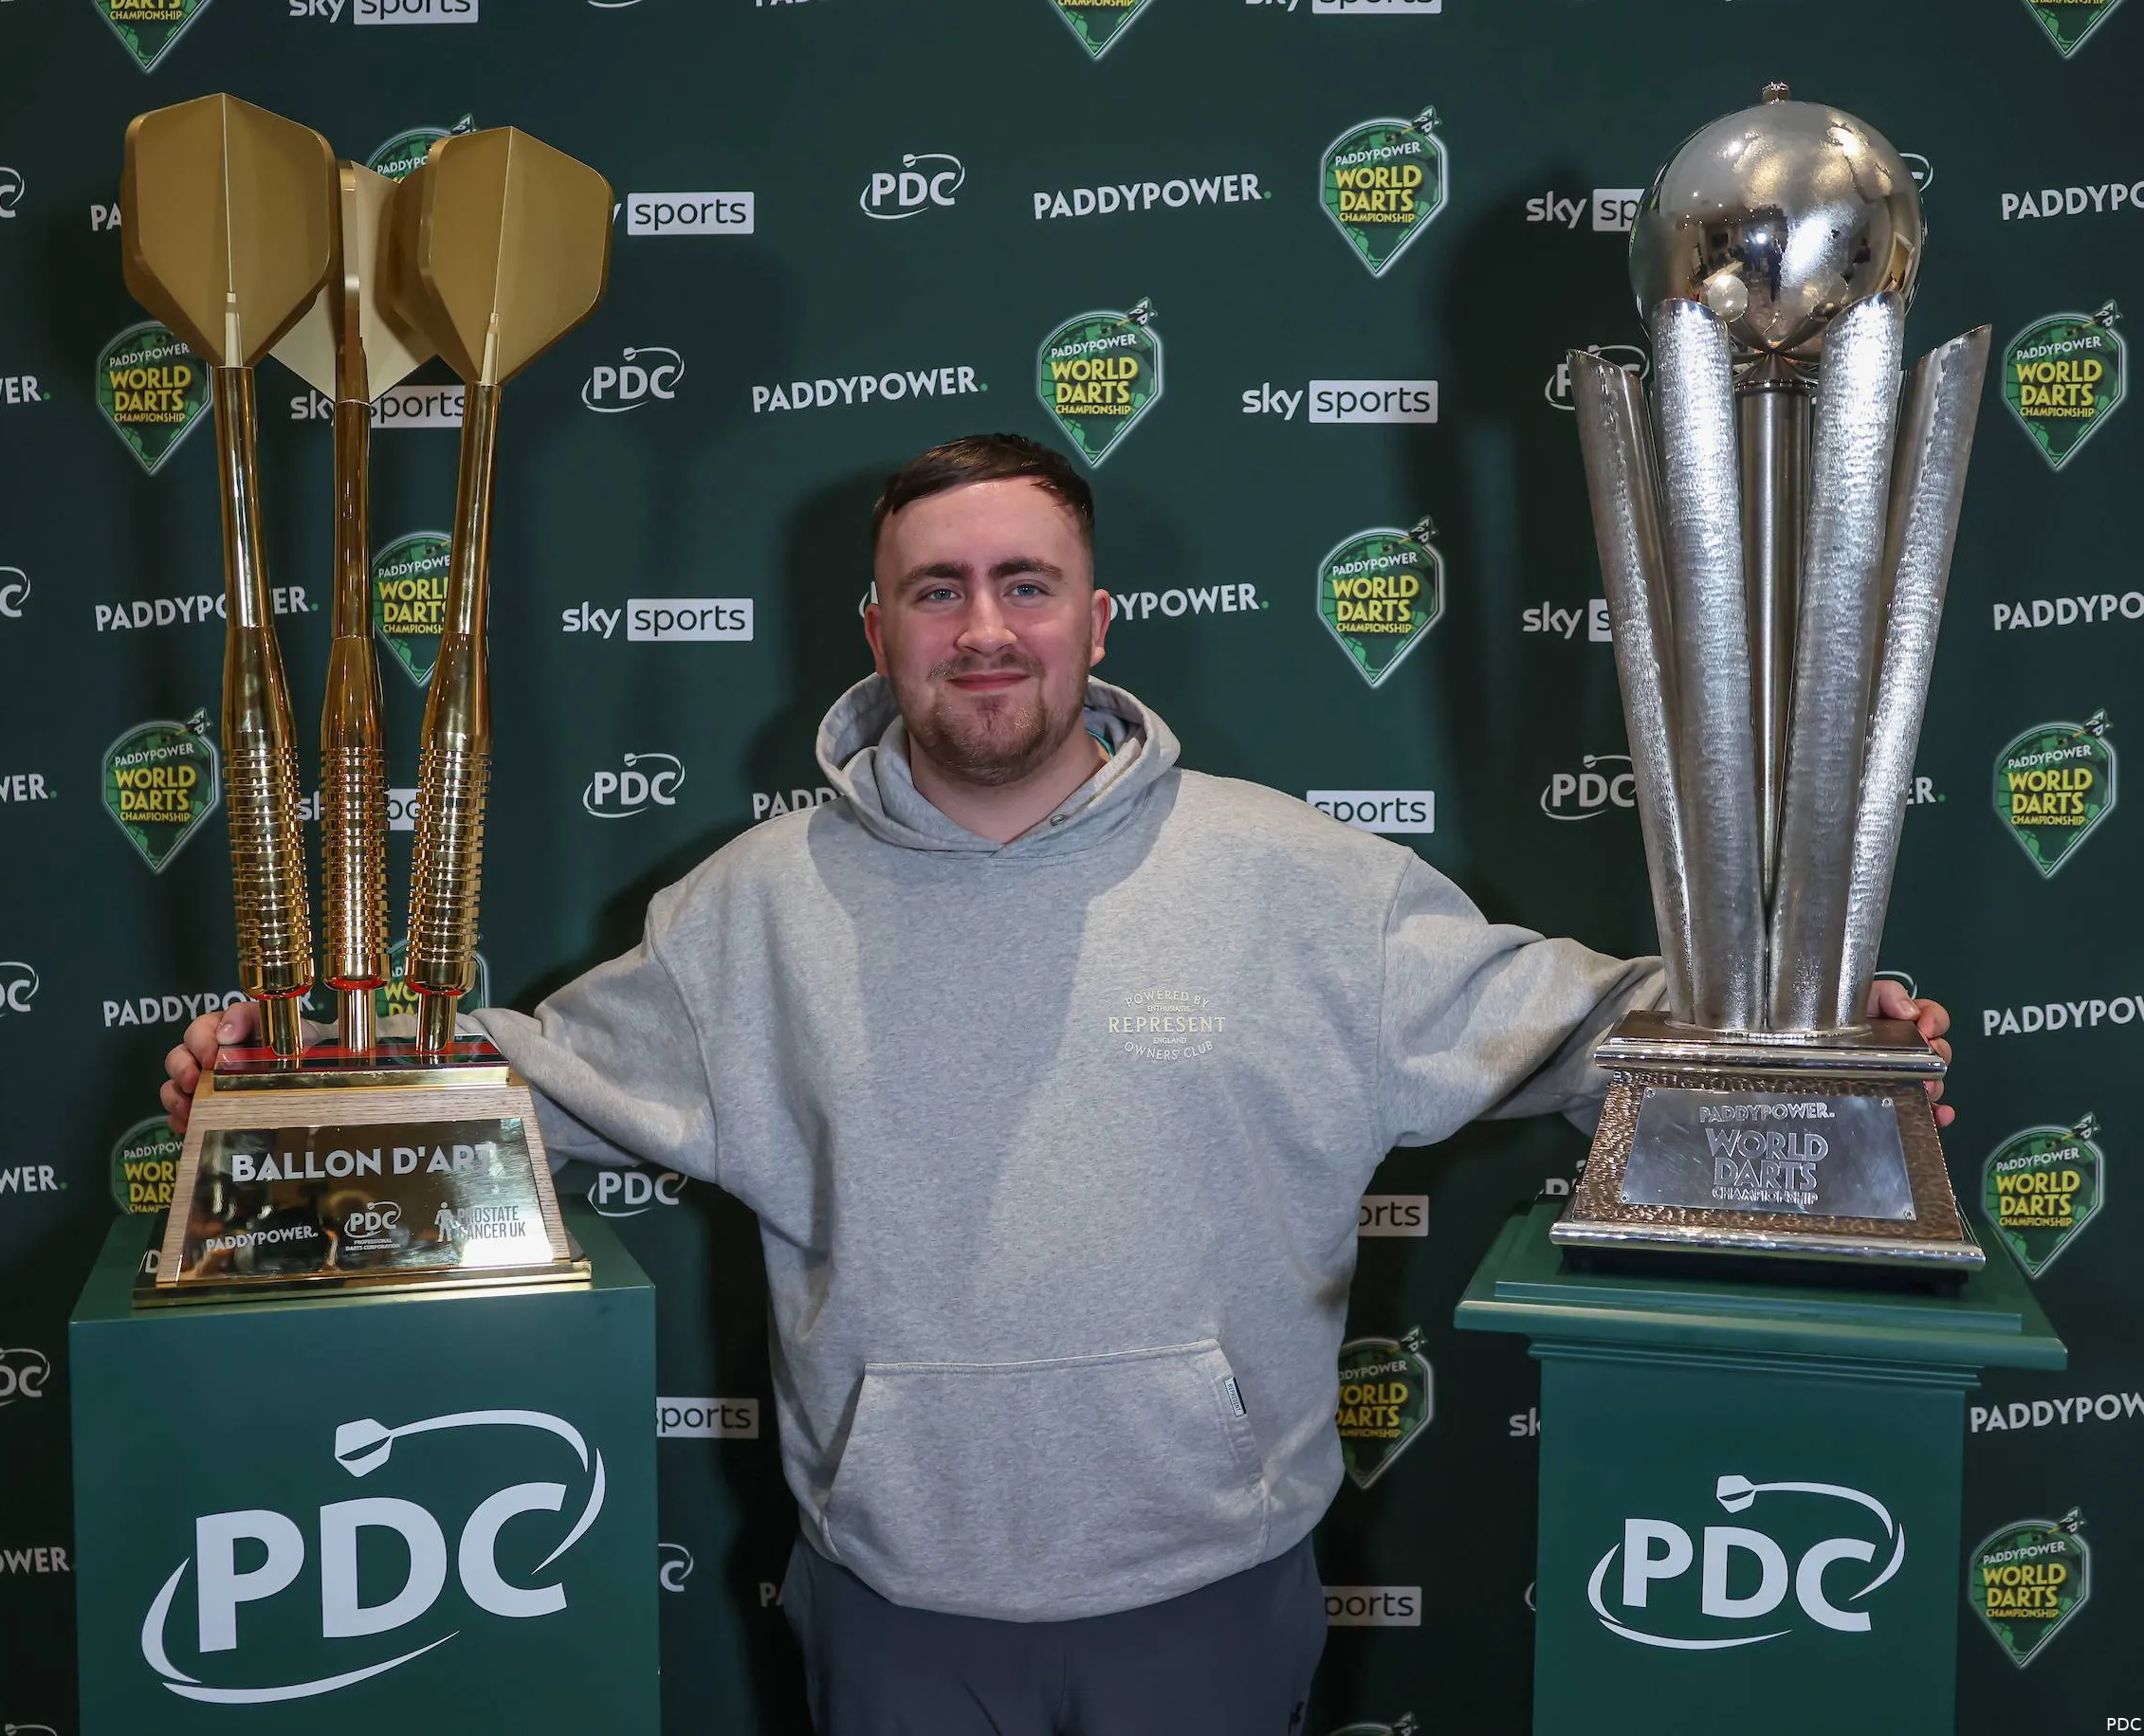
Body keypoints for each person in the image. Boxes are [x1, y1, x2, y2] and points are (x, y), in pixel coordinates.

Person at [162, 433, 1953, 1734]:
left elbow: (1576, 1027)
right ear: (876, 630)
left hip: (1210, 1592)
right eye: (937, 590)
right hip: (894, 1606)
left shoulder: (1299, 881)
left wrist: (1796, 1033)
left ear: (1099, 619)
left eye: (1027, 584)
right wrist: (284, 1083)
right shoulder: (747, 909)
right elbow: (515, 1091)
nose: (986, 628)